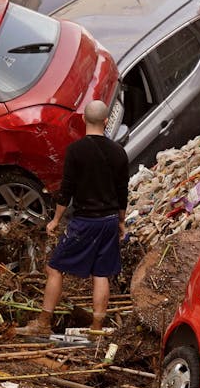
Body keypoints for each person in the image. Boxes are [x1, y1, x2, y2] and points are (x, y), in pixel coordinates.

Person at [23, 100, 130, 336]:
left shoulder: (76, 151)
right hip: (109, 220)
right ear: (106, 121)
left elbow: (66, 191)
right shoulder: (119, 153)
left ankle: (43, 322)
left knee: (54, 268)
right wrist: (121, 221)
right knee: (101, 274)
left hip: (85, 222)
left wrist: (55, 220)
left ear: (83, 120)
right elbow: (122, 192)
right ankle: (96, 327)